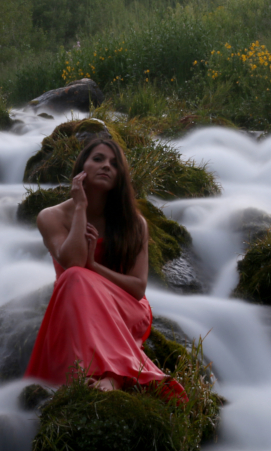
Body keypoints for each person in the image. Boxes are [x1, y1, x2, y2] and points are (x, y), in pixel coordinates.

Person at [24, 138, 186, 400]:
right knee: (76, 276)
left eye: (114, 163)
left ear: (121, 176)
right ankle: (107, 377)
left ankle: (110, 377)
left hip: (125, 308)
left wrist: (95, 266)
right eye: (98, 159)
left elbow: (137, 288)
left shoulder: (134, 224)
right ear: (82, 168)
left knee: (78, 275)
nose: (106, 166)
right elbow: (73, 262)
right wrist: (80, 207)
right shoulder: (51, 217)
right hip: (76, 304)